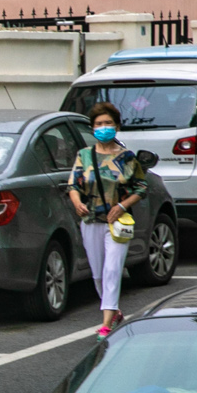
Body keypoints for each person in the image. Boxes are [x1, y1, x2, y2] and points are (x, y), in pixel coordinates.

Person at [68, 102, 148, 338]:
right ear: (92, 128)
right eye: (99, 124)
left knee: (113, 269)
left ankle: (106, 323)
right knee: (98, 273)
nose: (104, 128)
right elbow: (73, 185)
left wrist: (123, 205)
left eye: (108, 123)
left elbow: (141, 187)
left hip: (118, 223)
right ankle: (114, 311)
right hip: (91, 220)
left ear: (117, 126)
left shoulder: (127, 157)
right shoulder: (84, 155)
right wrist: (77, 203)